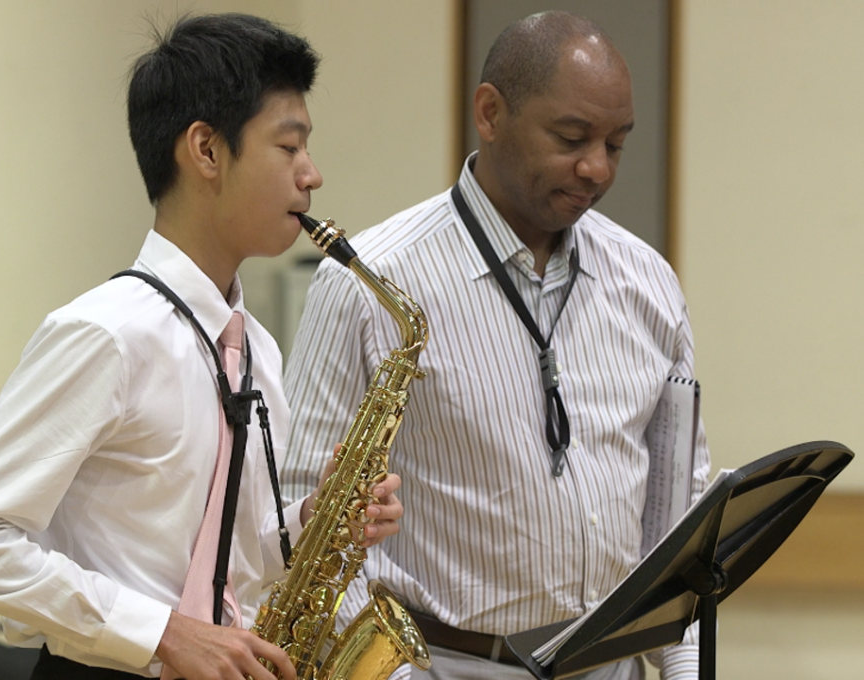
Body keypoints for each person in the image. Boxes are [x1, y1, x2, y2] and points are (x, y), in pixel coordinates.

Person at [0, 13, 405, 680]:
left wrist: (318, 521)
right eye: (289, 148)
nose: (312, 175)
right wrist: (162, 635)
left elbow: (221, 560)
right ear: (206, 150)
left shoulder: (255, 347)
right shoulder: (106, 333)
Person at [282, 10, 710, 680]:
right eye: (571, 137)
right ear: (490, 112)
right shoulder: (368, 283)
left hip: (614, 663)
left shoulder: (649, 282)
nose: (597, 168)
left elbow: (678, 517)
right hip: (442, 665)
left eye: (617, 144)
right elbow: (304, 512)